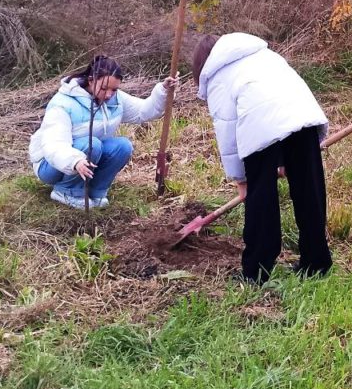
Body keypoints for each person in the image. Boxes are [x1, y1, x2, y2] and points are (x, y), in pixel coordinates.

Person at [193, 33, 332, 284]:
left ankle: (256, 272)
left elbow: (228, 135)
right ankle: (316, 262)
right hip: (303, 117)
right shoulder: (263, 54)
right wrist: (287, 159)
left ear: (202, 63)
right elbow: (278, 105)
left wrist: (242, 181)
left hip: (260, 125)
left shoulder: (218, 77)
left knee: (261, 201)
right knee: (309, 192)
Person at [29, 55, 176, 210]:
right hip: (52, 165)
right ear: (91, 80)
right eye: (104, 88)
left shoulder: (115, 99)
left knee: (122, 146)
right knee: (92, 144)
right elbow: (54, 144)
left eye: (114, 89)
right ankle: (67, 192)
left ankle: (95, 191)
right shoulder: (63, 104)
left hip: (87, 156)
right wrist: (75, 161)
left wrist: (163, 91)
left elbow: (143, 112)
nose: (108, 95)